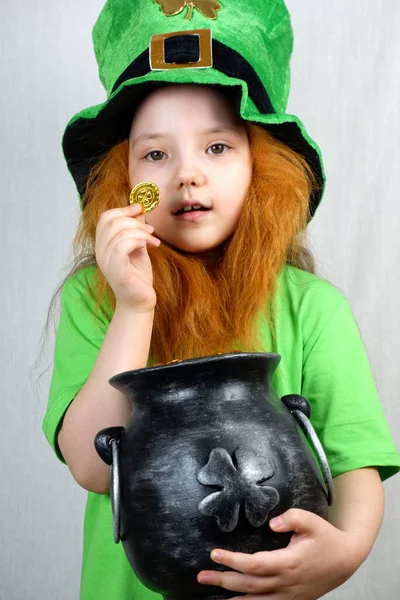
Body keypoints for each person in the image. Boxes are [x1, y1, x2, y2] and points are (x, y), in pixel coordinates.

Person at [42, 1, 400, 599]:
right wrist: (135, 307)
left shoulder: (313, 308)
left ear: (263, 166)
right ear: (125, 179)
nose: (187, 175)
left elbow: (352, 463)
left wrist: (344, 553)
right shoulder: (97, 300)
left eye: (218, 148)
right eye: (155, 154)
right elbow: (92, 465)